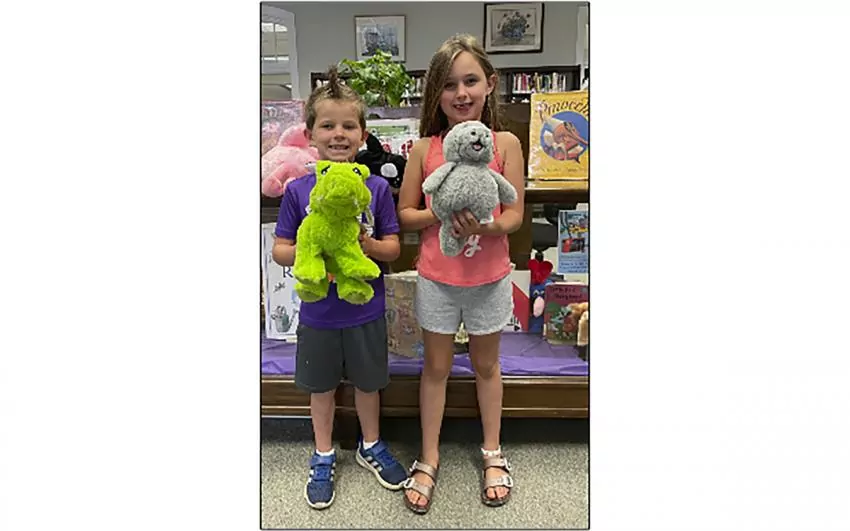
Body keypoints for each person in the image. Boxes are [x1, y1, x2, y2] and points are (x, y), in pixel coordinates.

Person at [396, 34, 526, 513]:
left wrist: (486, 226)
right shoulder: (424, 149)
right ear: (436, 94)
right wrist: (440, 214)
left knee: (488, 366)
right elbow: (405, 214)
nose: (461, 93)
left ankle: (492, 450)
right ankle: (429, 455)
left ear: (490, 84)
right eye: (449, 84)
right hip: (437, 279)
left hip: (489, 278)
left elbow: (515, 215)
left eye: (471, 80)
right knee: (436, 368)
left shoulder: (505, 144)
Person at [272, 66, 407, 510]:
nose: (338, 134)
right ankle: (324, 452)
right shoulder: (299, 191)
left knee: (369, 383)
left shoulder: (375, 188)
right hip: (318, 313)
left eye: (349, 125)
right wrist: (317, 250)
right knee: (321, 387)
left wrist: (362, 244)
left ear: (363, 134)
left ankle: (371, 443)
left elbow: (392, 248)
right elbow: (281, 250)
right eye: (328, 125)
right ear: (310, 133)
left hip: (366, 309)